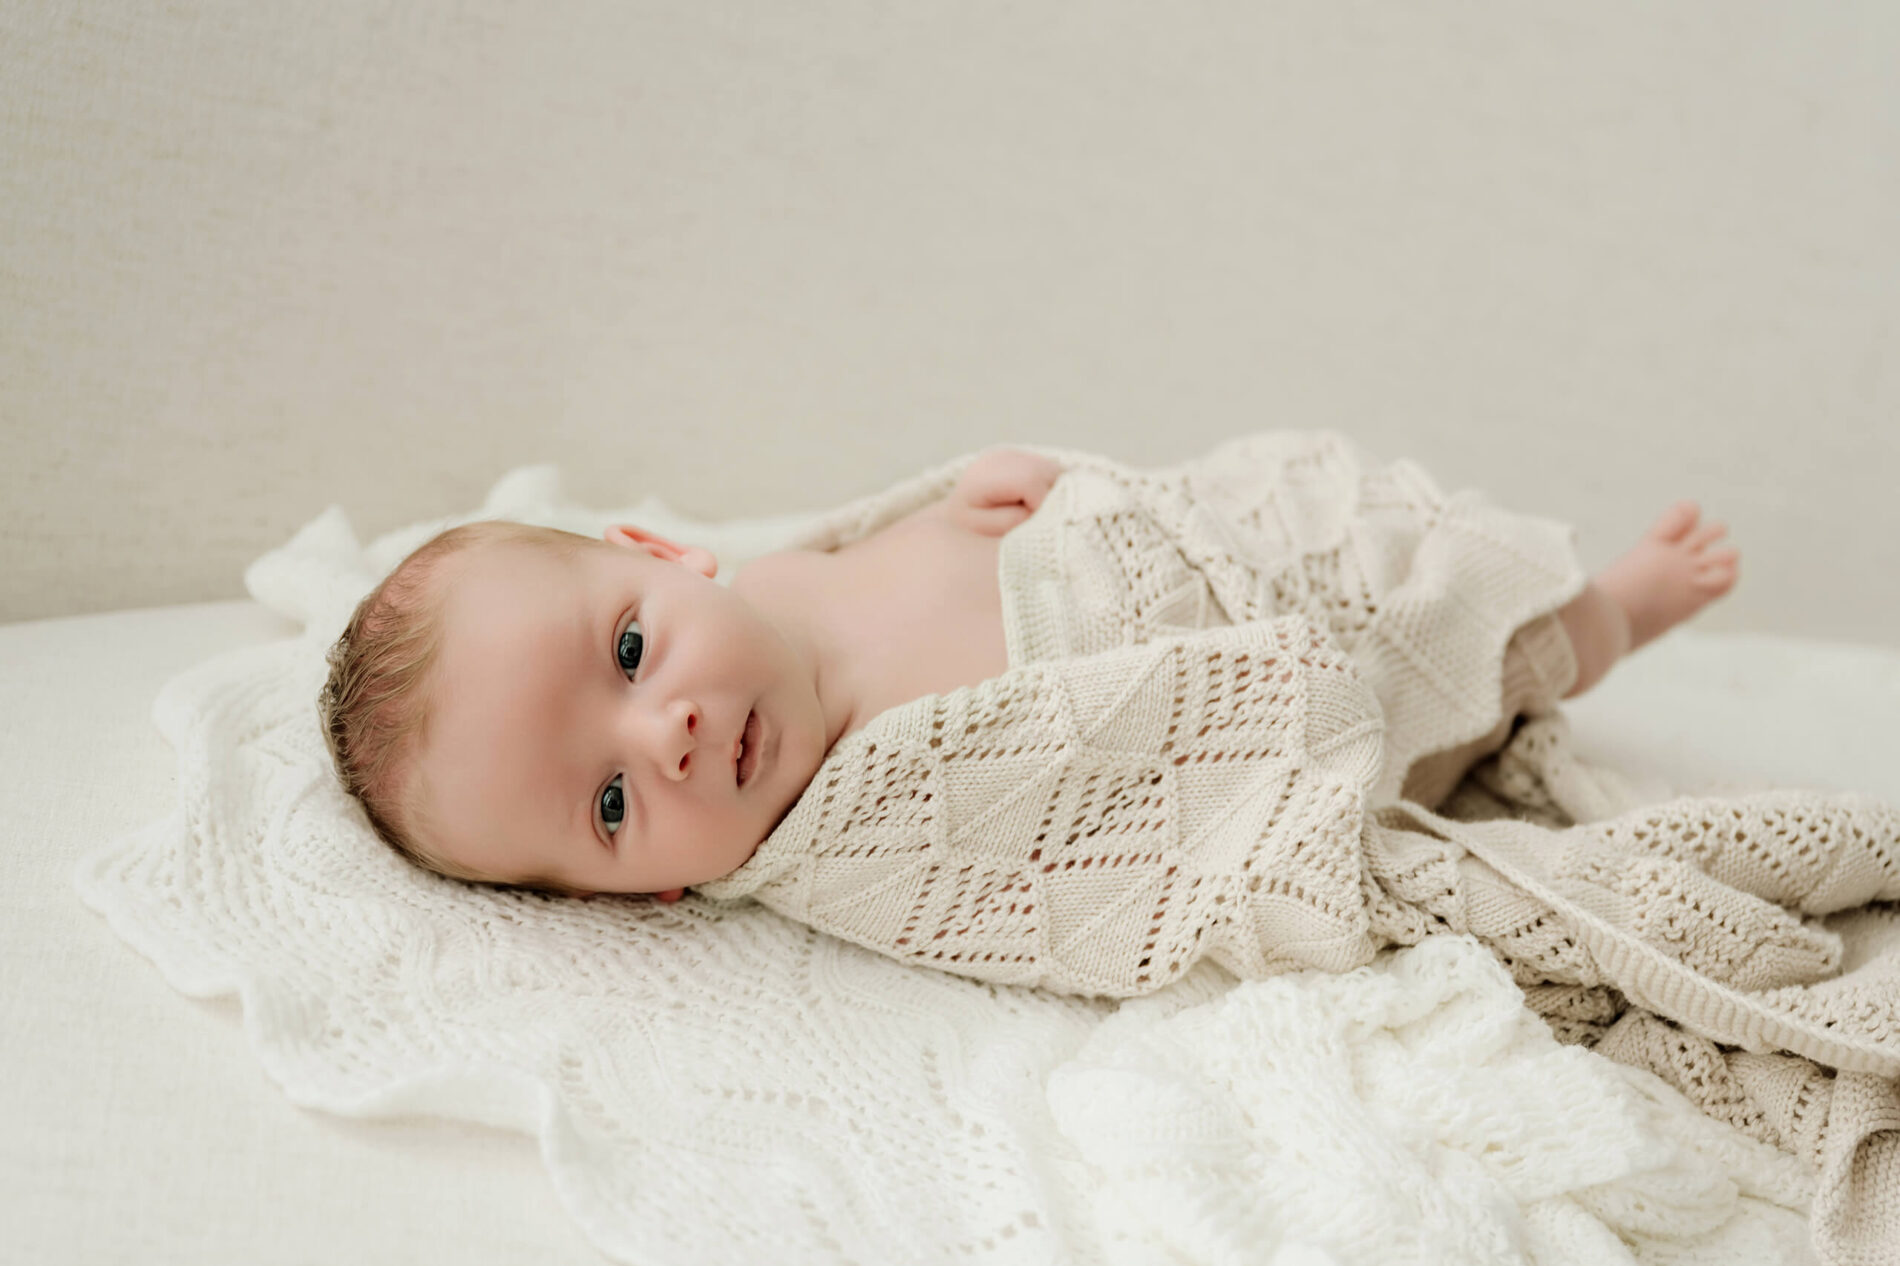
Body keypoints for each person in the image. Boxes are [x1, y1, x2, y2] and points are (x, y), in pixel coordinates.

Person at [318, 434, 1736, 908]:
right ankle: (1612, 617)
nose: (669, 734)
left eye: (627, 652)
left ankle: (1574, 599)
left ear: (661, 554)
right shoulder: (860, 832)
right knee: (1504, 669)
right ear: (651, 897)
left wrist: (959, 506)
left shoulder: (781, 577)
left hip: (1212, 558)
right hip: (1273, 724)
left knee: (1369, 532)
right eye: (611, 808)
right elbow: (1074, 868)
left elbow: (890, 535)